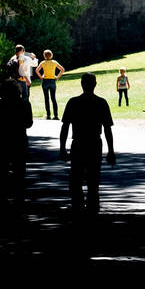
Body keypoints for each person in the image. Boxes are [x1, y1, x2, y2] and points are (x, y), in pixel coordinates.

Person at [59, 72, 115, 219]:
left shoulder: (73, 102)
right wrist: (111, 151)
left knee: (76, 178)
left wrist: (62, 148)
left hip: (78, 143)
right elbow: (108, 129)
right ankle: (92, 208)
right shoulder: (101, 103)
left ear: (82, 84)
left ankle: (78, 207)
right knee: (93, 178)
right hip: (95, 143)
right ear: (95, 84)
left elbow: (65, 127)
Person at [0, 79, 33, 209]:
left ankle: (2, 198)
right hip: (19, 140)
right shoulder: (25, 104)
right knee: (19, 171)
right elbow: (29, 123)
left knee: (1, 171)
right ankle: (19, 199)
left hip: (1, 142)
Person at [35, 49, 64, 120]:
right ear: (51, 55)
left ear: (44, 56)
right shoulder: (54, 62)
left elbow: (37, 70)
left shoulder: (43, 63)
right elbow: (62, 69)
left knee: (46, 99)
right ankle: (56, 115)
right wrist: (57, 76)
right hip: (52, 81)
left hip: (45, 81)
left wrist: (41, 76)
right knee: (53, 98)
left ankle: (48, 115)